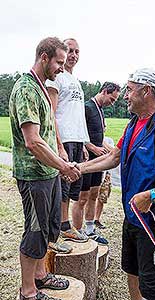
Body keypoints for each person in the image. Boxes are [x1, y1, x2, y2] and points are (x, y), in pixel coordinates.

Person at [76, 68, 155, 300]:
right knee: (132, 272)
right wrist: (79, 168)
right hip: (132, 217)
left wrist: (151, 195)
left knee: (154, 287)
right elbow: (114, 156)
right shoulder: (134, 124)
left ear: (147, 91)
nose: (125, 95)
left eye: (130, 90)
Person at [9, 37, 81, 300]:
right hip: (34, 175)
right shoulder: (26, 89)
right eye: (58, 62)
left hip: (48, 173)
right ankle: (28, 291)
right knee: (35, 231)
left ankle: (41, 275)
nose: (61, 68)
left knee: (49, 229)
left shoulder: (42, 87)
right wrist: (63, 165)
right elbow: (33, 141)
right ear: (43, 57)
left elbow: (49, 133)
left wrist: (60, 156)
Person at [46, 38, 90, 243]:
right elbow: (51, 113)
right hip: (63, 138)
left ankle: (66, 224)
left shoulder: (76, 82)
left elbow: (77, 115)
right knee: (62, 185)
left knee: (73, 186)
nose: (73, 55)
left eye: (77, 52)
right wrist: (59, 144)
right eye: (70, 51)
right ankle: (62, 226)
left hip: (76, 140)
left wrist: (83, 144)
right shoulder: (57, 78)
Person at [72, 82, 120, 244]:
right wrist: (91, 147)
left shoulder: (100, 110)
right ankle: (77, 232)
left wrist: (110, 150)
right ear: (105, 91)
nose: (112, 103)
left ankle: (90, 230)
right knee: (82, 198)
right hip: (86, 159)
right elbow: (78, 132)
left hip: (98, 161)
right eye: (112, 99)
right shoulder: (87, 107)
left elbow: (99, 137)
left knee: (94, 194)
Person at [94, 136, 114, 229]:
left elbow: (114, 152)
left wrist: (102, 142)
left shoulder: (108, 140)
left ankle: (96, 219)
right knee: (91, 196)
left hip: (105, 174)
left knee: (103, 196)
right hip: (96, 171)